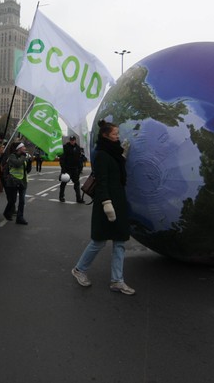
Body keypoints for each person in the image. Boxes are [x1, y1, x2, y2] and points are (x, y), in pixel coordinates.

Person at [71, 120, 135, 295]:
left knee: (120, 241)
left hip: (119, 200)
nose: (118, 136)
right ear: (106, 135)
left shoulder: (114, 152)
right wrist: (107, 204)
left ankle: (117, 281)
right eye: (115, 134)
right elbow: (102, 181)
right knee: (99, 241)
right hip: (106, 203)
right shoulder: (99, 154)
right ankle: (79, 270)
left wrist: (124, 156)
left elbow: (116, 168)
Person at [2, 142, 30, 225]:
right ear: (19, 148)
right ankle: (7, 213)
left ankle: (20, 218)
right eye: (23, 146)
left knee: (22, 201)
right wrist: (24, 157)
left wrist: (29, 162)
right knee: (12, 200)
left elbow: (27, 170)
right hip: (13, 181)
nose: (25, 148)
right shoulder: (12, 156)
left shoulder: (24, 157)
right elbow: (17, 164)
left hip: (23, 181)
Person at [59, 135, 85, 203]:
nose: (72, 141)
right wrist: (63, 168)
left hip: (75, 169)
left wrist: (80, 169)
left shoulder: (78, 148)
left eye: (73, 140)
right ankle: (61, 196)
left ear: (75, 140)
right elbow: (62, 159)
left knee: (77, 184)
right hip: (67, 169)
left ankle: (78, 199)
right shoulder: (65, 147)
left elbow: (79, 159)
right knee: (63, 183)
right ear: (69, 140)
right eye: (71, 140)